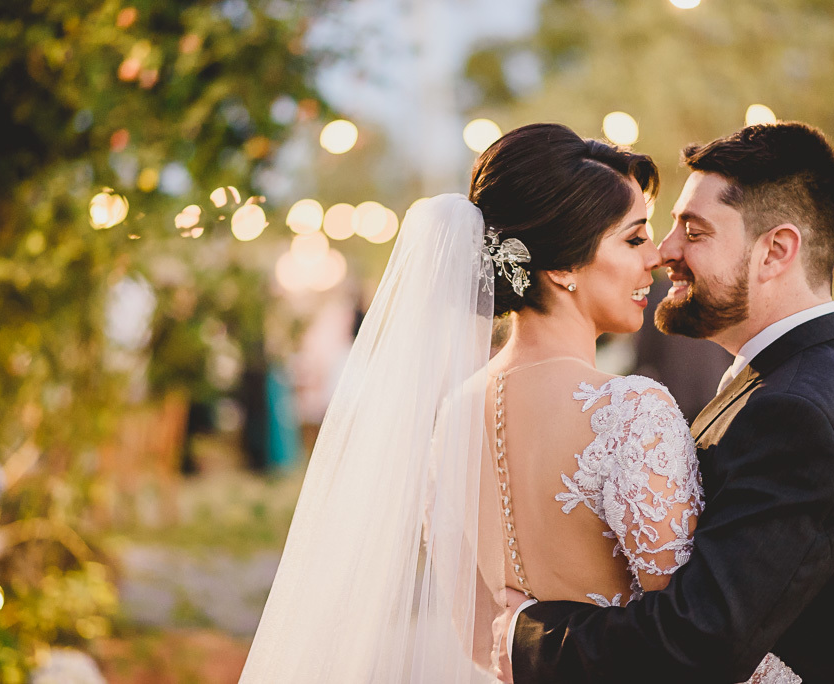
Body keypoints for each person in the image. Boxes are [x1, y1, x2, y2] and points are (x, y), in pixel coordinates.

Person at [239, 122, 790, 683]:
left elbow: (482, 639)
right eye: (633, 239)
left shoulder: (453, 416)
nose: (656, 258)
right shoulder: (631, 411)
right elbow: (696, 639)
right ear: (562, 266)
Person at [500, 123, 834, 683]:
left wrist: (524, 638)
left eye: (694, 231)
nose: (665, 252)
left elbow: (703, 637)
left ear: (776, 251)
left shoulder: (798, 414)